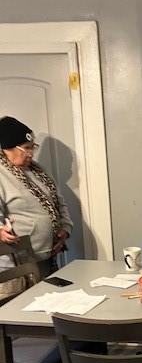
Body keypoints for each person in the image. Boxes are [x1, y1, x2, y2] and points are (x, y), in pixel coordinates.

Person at [0, 116, 73, 278]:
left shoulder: (38, 170)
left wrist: (65, 229)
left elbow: (60, 203)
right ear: (7, 148)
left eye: (33, 147)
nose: (31, 154)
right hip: (18, 263)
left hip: (49, 254)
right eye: (26, 148)